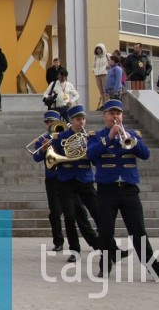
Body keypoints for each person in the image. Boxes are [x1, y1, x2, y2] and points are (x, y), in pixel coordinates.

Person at [87, 99, 159, 279]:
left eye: (118, 113)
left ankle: (154, 267)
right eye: (111, 113)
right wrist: (109, 138)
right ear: (104, 116)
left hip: (129, 189)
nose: (115, 117)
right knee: (105, 230)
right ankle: (105, 264)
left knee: (138, 230)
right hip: (107, 189)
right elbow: (91, 155)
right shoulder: (96, 136)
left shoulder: (133, 134)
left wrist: (133, 140)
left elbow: (145, 154)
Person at [49, 105, 100, 262]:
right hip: (66, 180)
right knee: (70, 217)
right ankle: (74, 250)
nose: (81, 122)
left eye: (83, 119)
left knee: (99, 213)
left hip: (85, 179)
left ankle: (108, 247)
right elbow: (51, 158)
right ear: (71, 120)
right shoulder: (61, 137)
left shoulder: (90, 137)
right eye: (78, 119)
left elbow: (95, 158)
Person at [31, 111, 68, 252]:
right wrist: (43, 150)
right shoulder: (42, 139)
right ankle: (58, 241)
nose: (50, 125)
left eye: (52, 122)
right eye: (47, 122)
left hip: (67, 177)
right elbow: (36, 158)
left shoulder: (66, 135)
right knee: (55, 212)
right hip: (52, 178)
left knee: (74, 212)